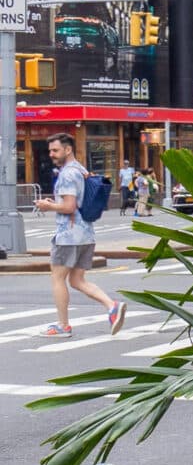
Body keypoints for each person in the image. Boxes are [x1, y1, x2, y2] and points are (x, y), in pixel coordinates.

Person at [37, 134, 124, 340]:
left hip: (69, 236)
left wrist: (48, 205)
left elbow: (68, 207)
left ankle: (63, 326)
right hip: (86, 234)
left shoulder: (68, 174)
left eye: (55, 150)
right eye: (50, 151)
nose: (51, 154)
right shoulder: (81, 170)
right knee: (77, 280)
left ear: (67, 150)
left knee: (58, 278)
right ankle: (112, 306)